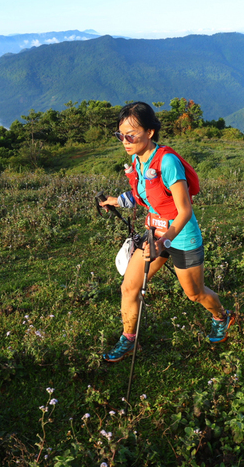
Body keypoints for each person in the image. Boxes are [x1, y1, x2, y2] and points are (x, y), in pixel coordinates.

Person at [98, 101, 233, 362]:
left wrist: (164, 244)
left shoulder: (168, 162)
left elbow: (184, 211)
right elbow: (146, 196)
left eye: (131, 135)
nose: (125, 141)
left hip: (181, 237)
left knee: (195, 293)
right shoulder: (137, 160)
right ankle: (129, 338)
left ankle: (221, 316)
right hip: (154, 234)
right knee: (129, 287)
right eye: (120, 135)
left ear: (150, 132)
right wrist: (116, 200)